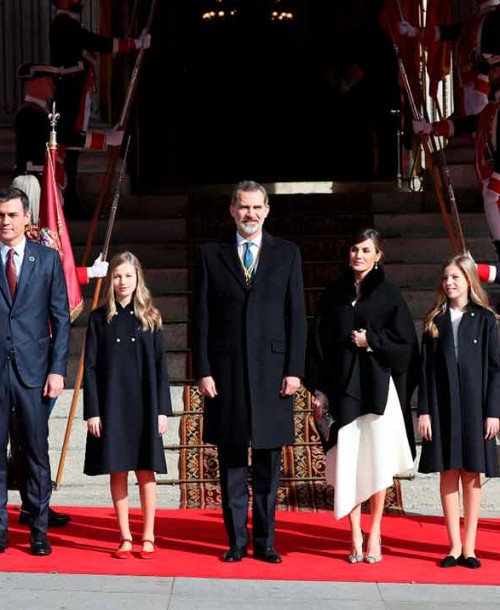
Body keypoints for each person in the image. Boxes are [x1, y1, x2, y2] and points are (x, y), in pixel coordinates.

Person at [194, 180, 307, 564]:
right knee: (231, 464)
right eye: (244, 207)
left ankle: (267, 541)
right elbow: (202, 317)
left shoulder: (287, 254)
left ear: (268, 210)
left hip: (273, 372)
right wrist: (203, 369)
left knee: (267, 466)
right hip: (225, 373)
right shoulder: (211, 255)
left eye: (257, 207)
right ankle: (236, 542)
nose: (251, 214)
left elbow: (296, 316)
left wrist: (295, 369)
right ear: (231, 210)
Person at [305, 228, 417, 564]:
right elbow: (318, 345)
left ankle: (376, 533)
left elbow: (407, 345)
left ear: (378, 255)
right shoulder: (333, 294)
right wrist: (319, 390)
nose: (359, 255)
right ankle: (354, 534)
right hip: (342, 390)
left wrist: (373, 342)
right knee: (347, 462)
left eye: (366, 250)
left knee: (378, 464)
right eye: (354, 249)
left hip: (378, 390)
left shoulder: (389, 295)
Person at [7, 175, 107, 529]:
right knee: (24, 439)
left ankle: (36, 508)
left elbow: (58, 281)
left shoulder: (44, 241)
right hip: (13, 351)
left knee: (33, 439)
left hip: (36, 353)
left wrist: (84, 272)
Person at [83, 251, 172, 559]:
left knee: (146, 471)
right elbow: (90, 368)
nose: (122, 281)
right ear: (111, 280)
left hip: (146, 404)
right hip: (111, 406)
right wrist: (92, 410)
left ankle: (148, 534)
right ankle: (125, 536)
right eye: (117, 276)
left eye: (128, 276)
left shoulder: (151, 317)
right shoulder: (99, 318)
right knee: (117, 470)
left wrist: (163, 410)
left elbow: (161, 367)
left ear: (138, 279)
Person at [418, 254, 500, 569]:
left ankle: (470, 547)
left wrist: (493, 411)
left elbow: (495, 369)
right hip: (441, 406)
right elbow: (425, 371)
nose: (449, 283)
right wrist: (424, 411)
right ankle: (452, 546)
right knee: (448, 471)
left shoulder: (485, 319)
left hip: (476, 407)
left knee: (472, 474)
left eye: (456, 277)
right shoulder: (434, 320)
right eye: (446, 278)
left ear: (468, 280)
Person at [0, 187, 70, 555]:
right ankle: (0, 529)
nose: (5, 221)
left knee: (35, 454)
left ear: (26, 217)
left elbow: (60, 318)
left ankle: (39, 529)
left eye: (12, 214)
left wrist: (58, 370)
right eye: (0, 215)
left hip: (33, 374)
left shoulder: (46, 260)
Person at [49, 0, 150, 217]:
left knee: (72, 153)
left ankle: (71, 203)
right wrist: (134, 43)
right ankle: (67, 205)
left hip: (77, 93)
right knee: (68, 147)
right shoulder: (63, 24)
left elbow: (88, 44)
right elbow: (95, 42)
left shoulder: (70, 25)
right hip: (69, 95)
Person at [14, 61, 124, 218]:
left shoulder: (40, 112)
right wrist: (106, 139)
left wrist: (107, 138)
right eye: (49, 81)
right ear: (35, 84)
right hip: (34, 184)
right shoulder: (29, 113)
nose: (53, 86)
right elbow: (62, 136)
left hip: (43, 182)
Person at [413, 68, 500, 260]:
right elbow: (465, 125)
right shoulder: (489, 111)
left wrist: (496, 182)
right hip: (490, 182)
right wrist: (431, 127)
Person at [398, 0, 500, 115]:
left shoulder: (495, 16)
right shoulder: (478, 17)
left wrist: (483, 77)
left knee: (476, 123)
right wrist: (415, 31)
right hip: (468, 84)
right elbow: (451, 32)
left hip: (484, 87)